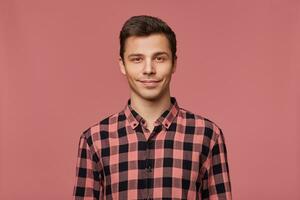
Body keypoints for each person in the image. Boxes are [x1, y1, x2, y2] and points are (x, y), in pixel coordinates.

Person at [73, 15, 232, 200]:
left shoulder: (208, 135)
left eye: (159, 58)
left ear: (174, 63)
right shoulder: (95, 140)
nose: (149, 69)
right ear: (122, 65)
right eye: (137, 59)